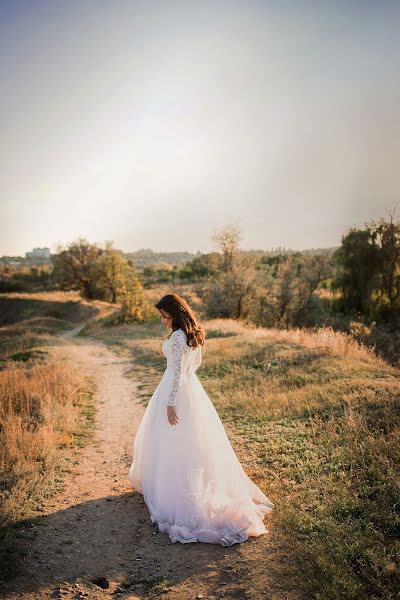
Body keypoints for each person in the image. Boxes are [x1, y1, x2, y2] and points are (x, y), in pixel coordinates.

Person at [128, 293, 273, 546]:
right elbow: (194, 366)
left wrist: (171, 402)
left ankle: (178, 496)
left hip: (174, 393)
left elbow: (174, 374)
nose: (162, 320)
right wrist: (185, 385)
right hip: (192, 390)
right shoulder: (191, 334)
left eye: (164, 316)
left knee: (173, 441)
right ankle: (194, 486)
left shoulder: (176, 338)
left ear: (174, 313)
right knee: (194, 442)